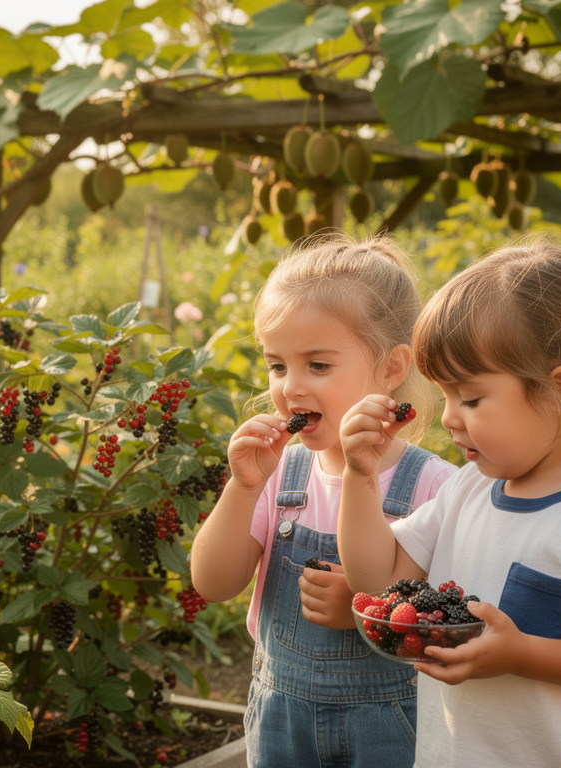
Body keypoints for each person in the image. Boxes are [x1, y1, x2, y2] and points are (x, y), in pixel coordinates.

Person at [336, 236, 561, 766]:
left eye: (470, 397)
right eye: (446, 395)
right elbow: (375, 581)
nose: (449, 417)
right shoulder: (467, 490)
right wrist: (359, 478)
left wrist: (523, 653)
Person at [190, 234, 456, 767]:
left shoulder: (434, 487)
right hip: (281, 726)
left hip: (389, 730)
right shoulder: (276, 477)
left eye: (317, 365)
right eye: (277, 366)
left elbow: (446, 623)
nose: (290, 387)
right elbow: (213, 583)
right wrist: (242, 487)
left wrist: (366, 613)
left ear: (392, 368)